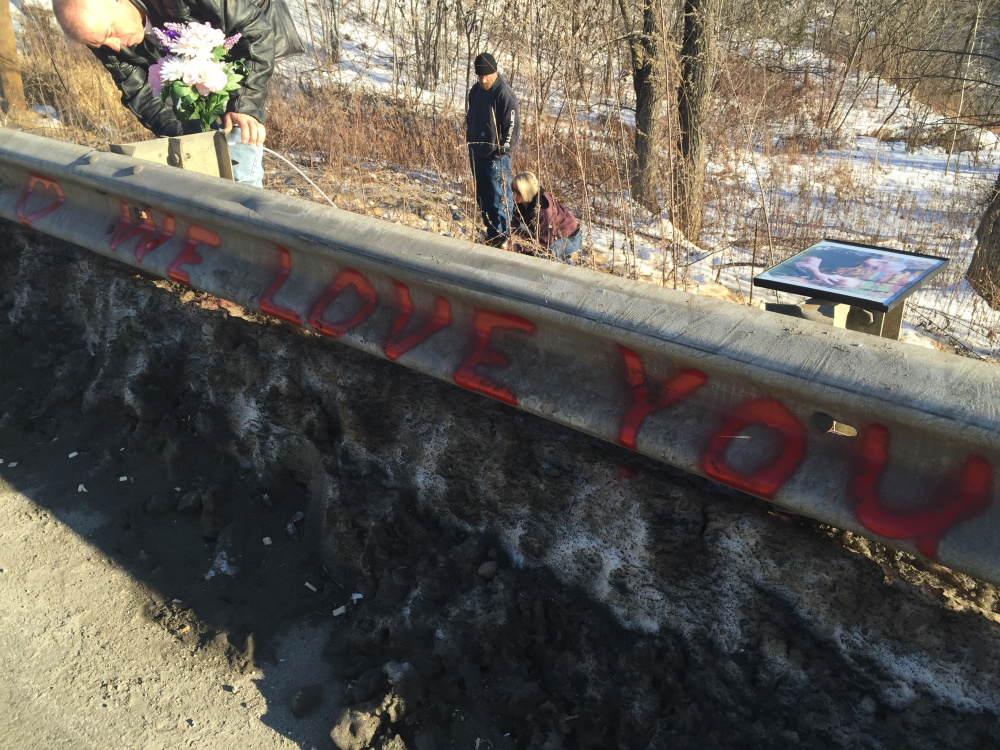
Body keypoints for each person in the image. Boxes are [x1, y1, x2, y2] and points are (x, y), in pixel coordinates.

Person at [52, 0, 303, 188]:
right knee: (203, 147)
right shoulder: (99, 30)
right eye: (100, 45)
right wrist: (191, 142)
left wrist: (246, 106)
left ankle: (249, 213)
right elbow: (138, 89)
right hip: (181, 52)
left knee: (235, 129)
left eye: (109, 35)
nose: (114, 47)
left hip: (244, 31)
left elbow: (254, 32)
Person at [465, 52, 520, 246]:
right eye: (480, 76)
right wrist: (470, 141)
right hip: (477, 153)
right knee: (484, 197)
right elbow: (470, 117)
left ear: (494, 72)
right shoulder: (475, 91)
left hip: (496, 155)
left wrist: (503, 150)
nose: (483, 79)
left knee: (500, 198)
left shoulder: (504, 93)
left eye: (486, 75)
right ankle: (492, 234)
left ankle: (505, 237)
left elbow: (512, 125)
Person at [507, 171, 581, 263]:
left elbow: (545, 241)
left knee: (544, 255)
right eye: (512, 190)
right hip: (550, 235)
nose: (513, 194)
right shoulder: (520, 203)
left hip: (569, 238)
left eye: (518, 191)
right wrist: (509, 241)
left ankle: (571, 270)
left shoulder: (544, 209)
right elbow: (515, 225)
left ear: (526, 191)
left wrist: (520, 247)